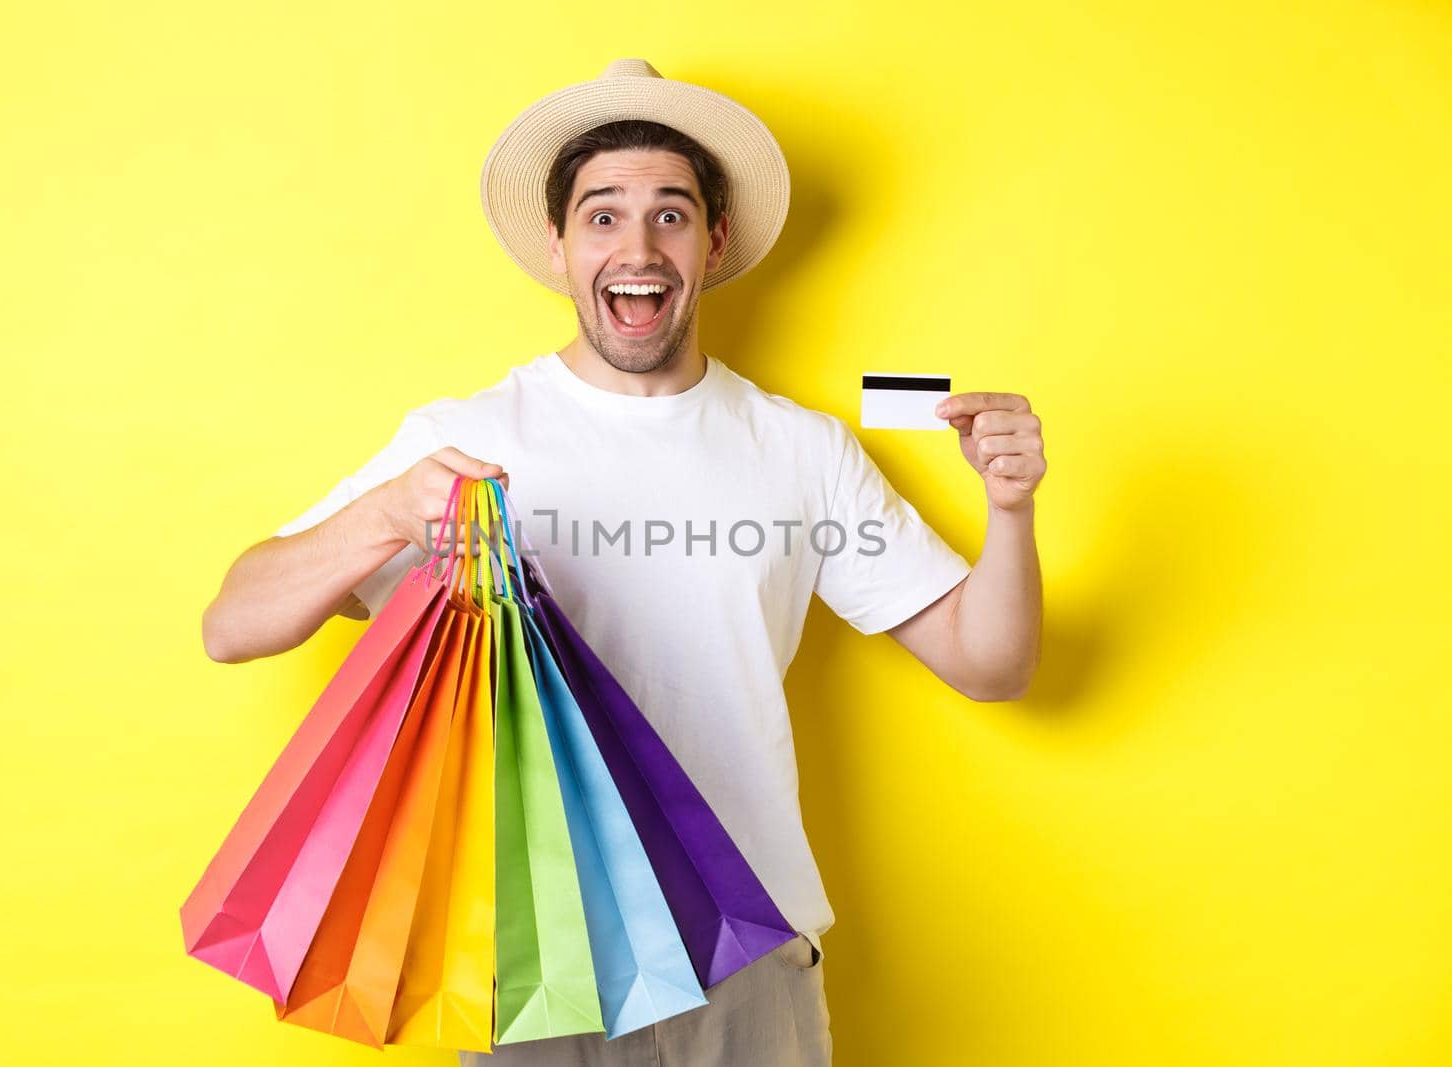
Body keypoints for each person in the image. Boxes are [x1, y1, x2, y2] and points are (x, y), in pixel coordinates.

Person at [202, 57, 1045, 1067]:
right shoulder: (462, 436)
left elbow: (989, 664)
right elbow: (233, 622)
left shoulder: (801, 449)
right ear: (557, 244)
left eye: (670, 214)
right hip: (535, 962)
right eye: (602, 216)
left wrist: (1010, 510)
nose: (636, 245)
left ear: (713, 241)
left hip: (748, 962)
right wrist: (383, 514)